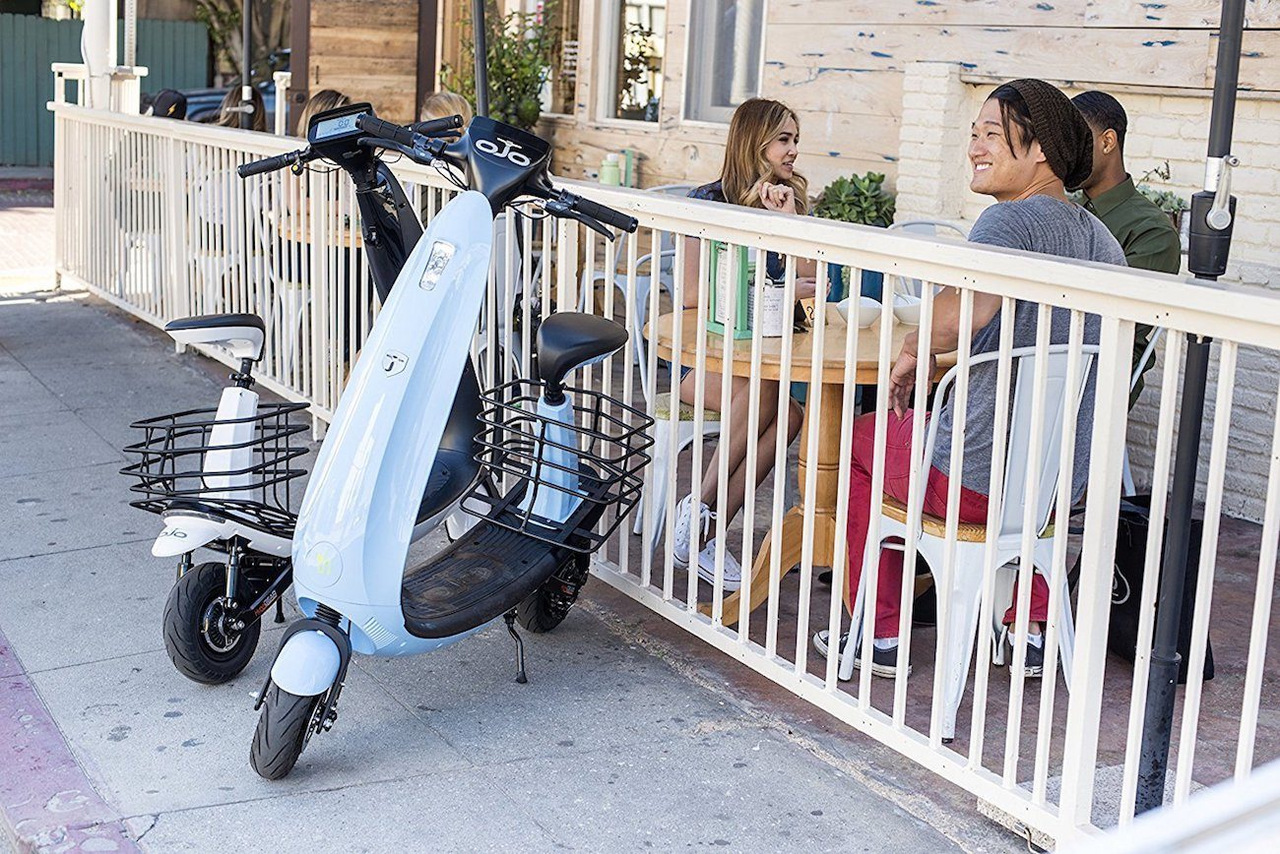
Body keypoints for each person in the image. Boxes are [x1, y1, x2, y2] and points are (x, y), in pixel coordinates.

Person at [816, 79, 1126, 679]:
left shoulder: (1007, 222)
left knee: (863, 438)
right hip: (1054, 488)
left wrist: (915, 347)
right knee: (1009, 466)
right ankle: (1029, 626)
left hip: (973, 483)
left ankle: (877, 632)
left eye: (990, 134)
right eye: (973, 134)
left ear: (1040, 149)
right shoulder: (1103, 241)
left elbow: (966, 315)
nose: (974, 147)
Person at [672, 97, 815, 590]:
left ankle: (703, 530)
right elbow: (693, 294)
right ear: (755, 143)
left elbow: (813, 285)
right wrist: (775, 290)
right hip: (704, 360)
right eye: (784, 140)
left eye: (795, 140)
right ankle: (701, 510)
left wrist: (790, 220)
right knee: (768, 393)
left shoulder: (790, 199)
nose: (793, 151)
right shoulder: (708, 202)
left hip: (759, 360)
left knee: (790, 414)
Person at [1072, 90, 1182, 407]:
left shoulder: (1152, 230)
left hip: (1100, 376)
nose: (1065, 153)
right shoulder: (1067, 210)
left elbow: (1118, 323)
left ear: (1108, 142)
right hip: (1044, 360)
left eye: (1075, 140)